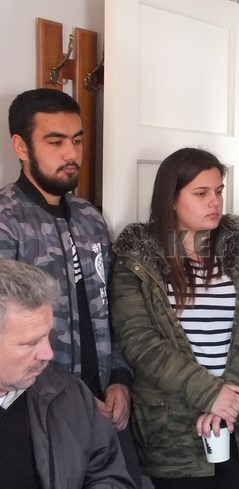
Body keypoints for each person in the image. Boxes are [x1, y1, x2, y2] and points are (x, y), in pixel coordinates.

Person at [110, 147, 239, 489]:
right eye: (201, 193)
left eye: (218, 191)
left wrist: (228, 398)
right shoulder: (136, 255)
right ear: (171, 200)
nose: (215, 202)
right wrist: (209, 394)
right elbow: (139, 340)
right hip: (174, 429)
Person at [0, 88, 141, 485]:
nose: (71, 153)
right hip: (43, 408)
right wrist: (71, 398)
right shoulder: (6, 221)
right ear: (21, 146)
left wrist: (120, 378)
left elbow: (111, 306)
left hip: (109, 402)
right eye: (55, 141)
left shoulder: (90, 217)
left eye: (77, 140)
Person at [0, 258, 136, 489]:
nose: (48, 353)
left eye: (47, 336)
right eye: (30, 343)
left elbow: (109, 476)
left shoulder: (69, 394)